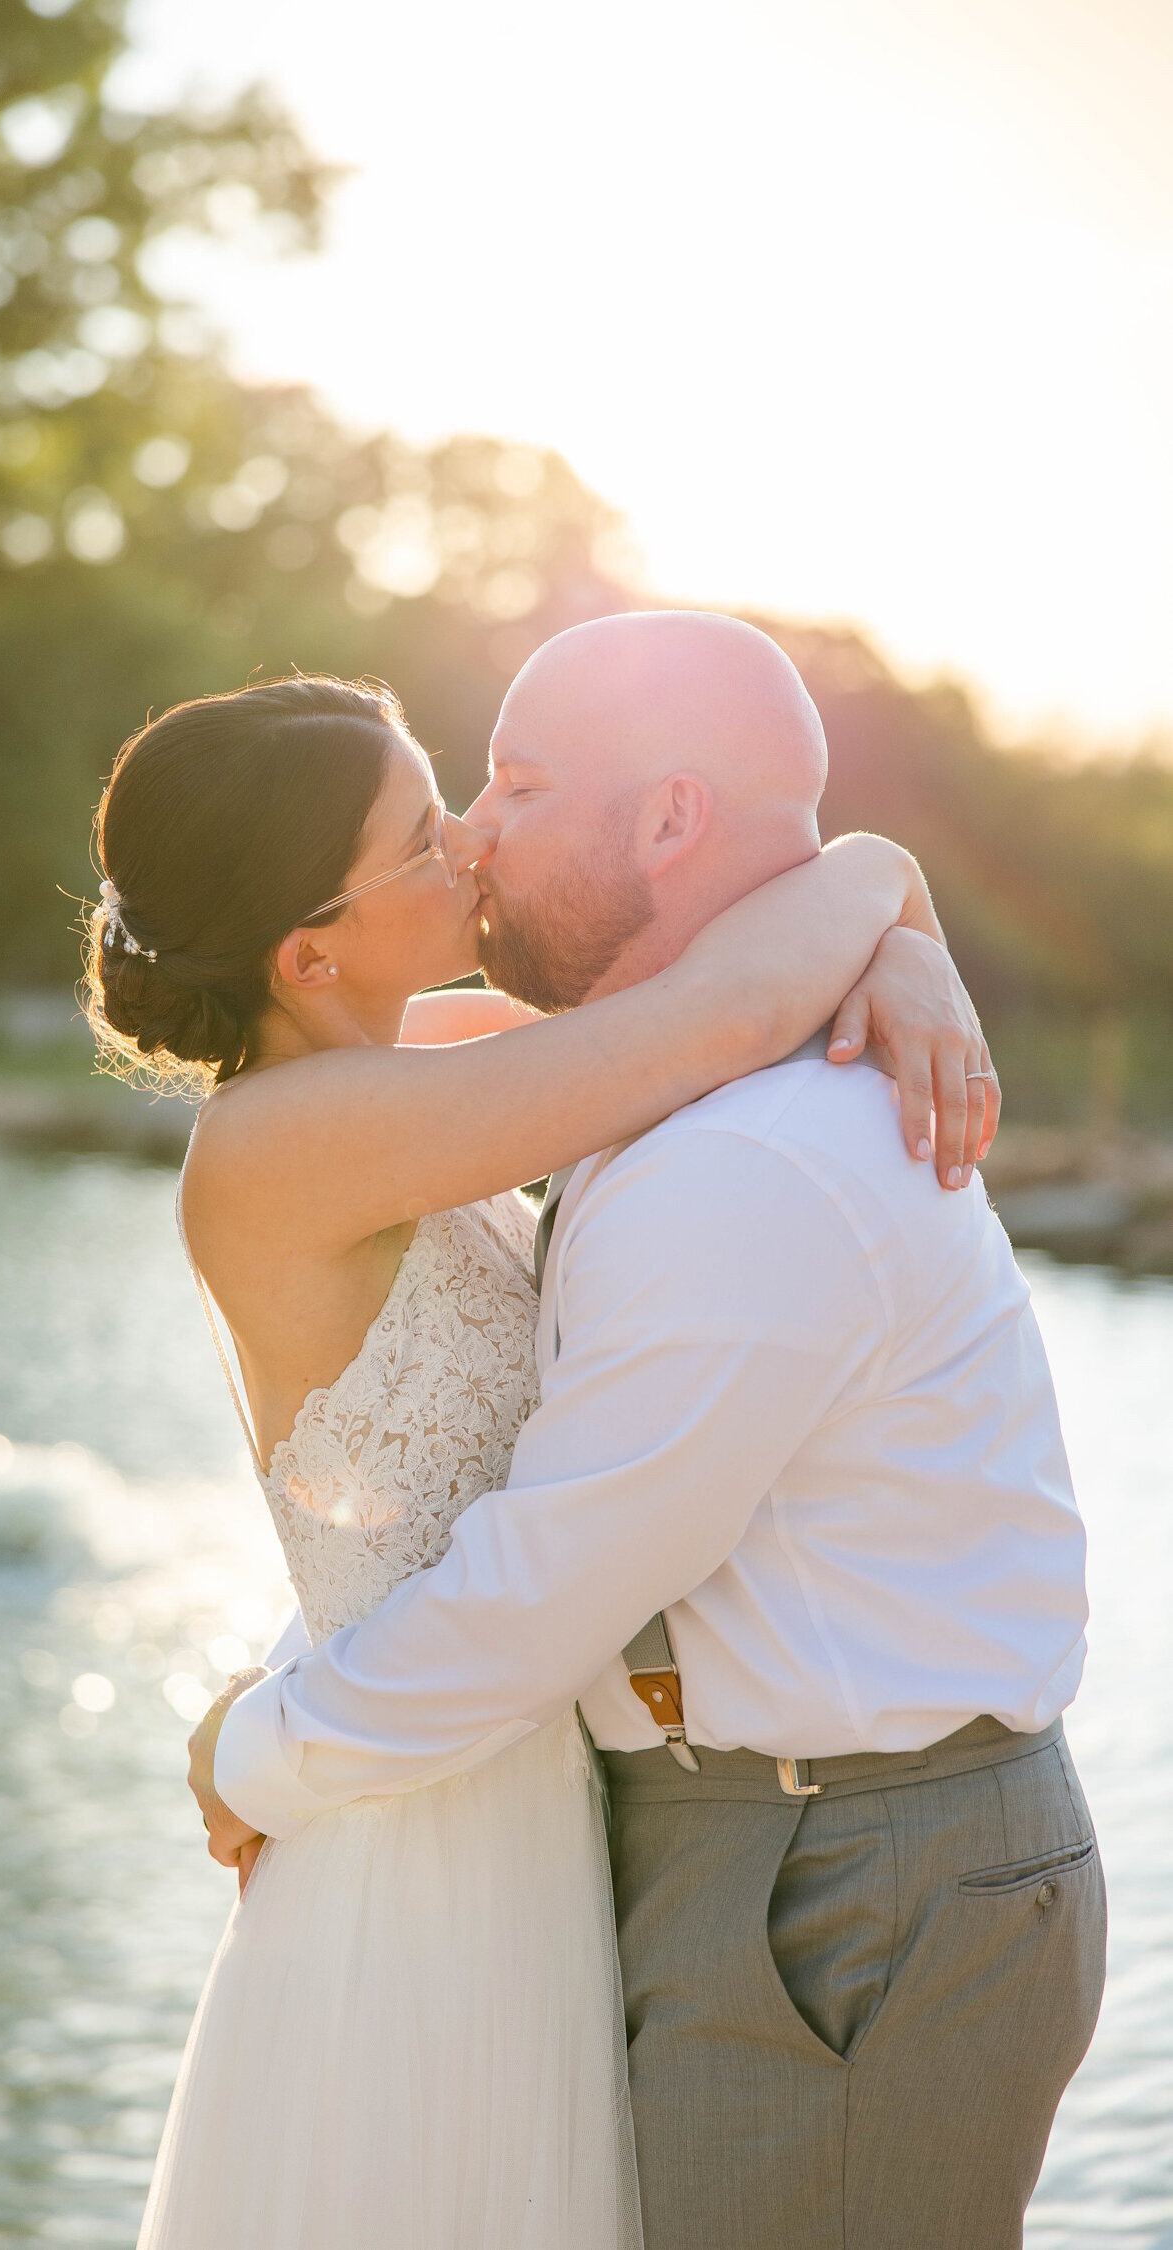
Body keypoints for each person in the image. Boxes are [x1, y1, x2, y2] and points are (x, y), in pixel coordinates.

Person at [191, 619, 1105, 2250]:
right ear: (306, 950)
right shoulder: (553, 1082)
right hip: (613, 1825)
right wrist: (886, 905)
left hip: (832, 1868)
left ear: (671, 816)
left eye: (511, 786)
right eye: (437, 819)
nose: (474, 836)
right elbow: (718, 1003)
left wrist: (256, 1750)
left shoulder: (737, 1142)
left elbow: (544, 1584)